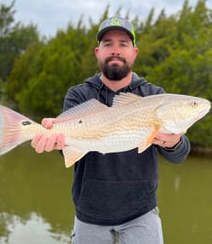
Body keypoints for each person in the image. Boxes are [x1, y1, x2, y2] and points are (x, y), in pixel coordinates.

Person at [31, 16, 190, 244]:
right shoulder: (79, 94)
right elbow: (67, 148)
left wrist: (173, 142)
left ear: (135, 52)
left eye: (123, 44)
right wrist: (54, 140)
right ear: (98, 52)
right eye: (108, 44)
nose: (115, 50)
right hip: (90, 212)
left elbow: (180, 154)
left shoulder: (155, 96)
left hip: (141, 212)